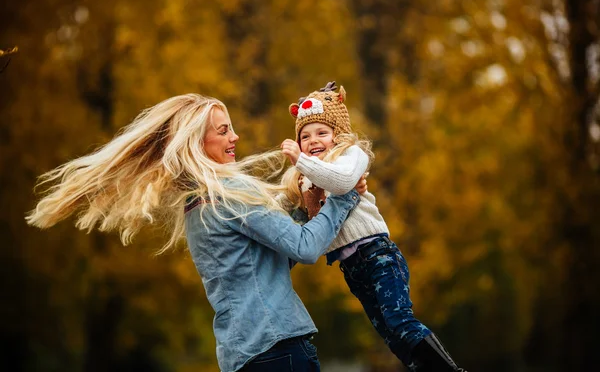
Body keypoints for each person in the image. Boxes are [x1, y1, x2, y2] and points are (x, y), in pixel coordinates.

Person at [25, 93, 363, 372]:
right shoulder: (228, 193)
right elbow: (304, 248)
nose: (235, 137)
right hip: (277, 347)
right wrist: (345, 195)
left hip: (244, 354)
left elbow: (268, 264)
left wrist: (305, 204)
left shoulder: (196, 203)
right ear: (197, 142)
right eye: (223, 131)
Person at [280, 82, 466, 372]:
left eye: (321, 133)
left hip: (378, 254)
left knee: (400, 322)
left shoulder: (351, 157)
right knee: (391, 336)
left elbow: (340, 182)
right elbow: (280, 205)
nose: (312, 140)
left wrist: (300, 160)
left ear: (338, 134)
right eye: (305, 136)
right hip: (352, 268)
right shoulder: (303, 178)